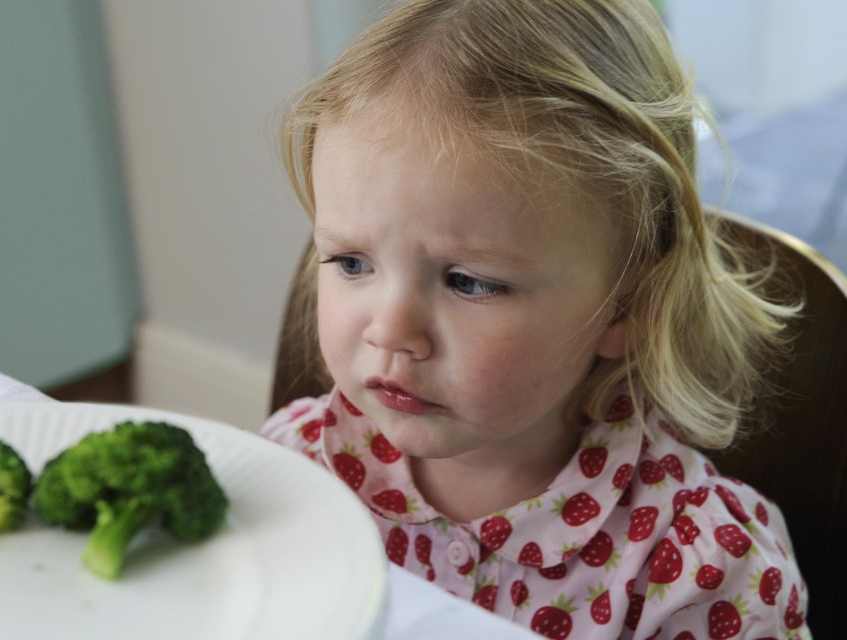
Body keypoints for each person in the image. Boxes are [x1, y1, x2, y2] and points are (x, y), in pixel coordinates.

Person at [261, 0, 810, 637]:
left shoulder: (698, 569)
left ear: (628, 305)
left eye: (468, 281)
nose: (389, 331)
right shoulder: (295, 468)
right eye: (352, 263)